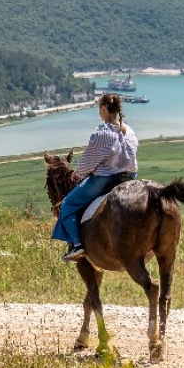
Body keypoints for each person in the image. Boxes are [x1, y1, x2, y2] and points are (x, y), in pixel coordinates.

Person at [52, 93, 139, 261]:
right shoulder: (130, 131)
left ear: (104, 109)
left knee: (68, 204)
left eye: (100, 109)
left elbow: (88, 161)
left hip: (106, 179)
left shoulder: (102, 133)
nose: (99, 113)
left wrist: (77, 174)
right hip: (130, 177)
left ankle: (77, 245)